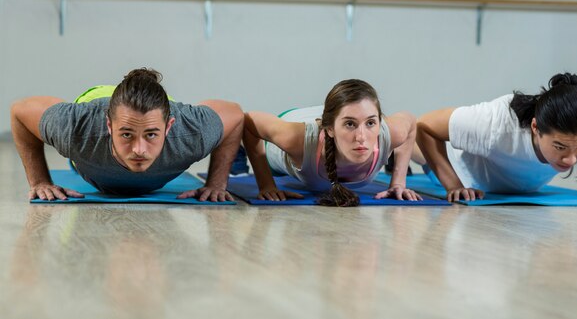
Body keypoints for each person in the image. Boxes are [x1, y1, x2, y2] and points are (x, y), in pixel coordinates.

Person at [10, 68, 243, 202]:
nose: (139, 149)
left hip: (159, 107)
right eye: (126, 135)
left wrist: (217, 183)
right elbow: (20, 111)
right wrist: (40, 181)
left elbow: (235, 114)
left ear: (169, 126)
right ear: (109, 127)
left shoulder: (192, 132)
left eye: (151, 135)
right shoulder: (75, 129)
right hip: (98, 100)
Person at [415, 73, 577, 202]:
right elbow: (424, 126)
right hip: (462, 168)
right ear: (535, 127)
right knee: (413, 149)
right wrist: (454, 185)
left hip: (520, 183)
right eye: (560, 147)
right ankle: (398, 153)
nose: (571, 159)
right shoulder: (496, 123)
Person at [243, 79, 423, 206]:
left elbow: (410, 120)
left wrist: (398, 183)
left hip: (335, 117)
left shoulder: (391, 132)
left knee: (420, 153)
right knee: (247, 143)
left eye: (370, 123)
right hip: (296, 122)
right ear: (329, 129)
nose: (361, 137)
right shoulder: (295, 139)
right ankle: (237, 149)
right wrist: (266, 183)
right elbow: (250, 121)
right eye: (350, 125)